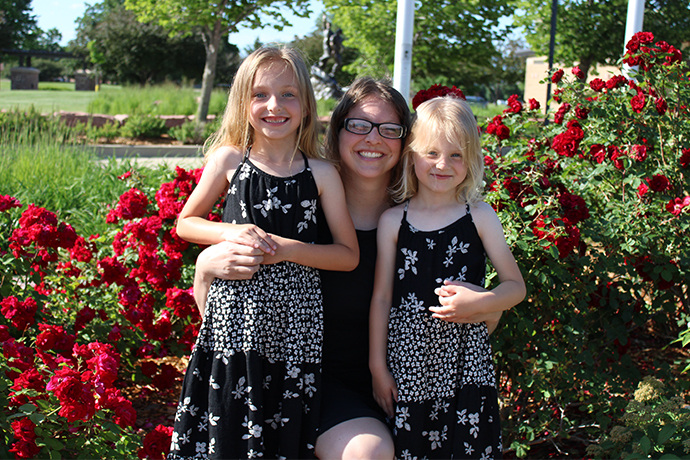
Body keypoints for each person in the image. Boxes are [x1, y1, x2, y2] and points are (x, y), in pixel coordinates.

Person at [191, 78, 505, 460]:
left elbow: (481, 312)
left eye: (390, 130)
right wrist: (206, 266)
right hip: (313, 384)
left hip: (415, 384)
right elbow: (234, 310)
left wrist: (485, 302)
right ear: (336, 131)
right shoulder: (305, 208)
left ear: (409, 142)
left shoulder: (427, 218)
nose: (373, 139)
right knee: (367, 452)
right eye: (358, 125)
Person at [169, 46, 359, 460]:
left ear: (307, 104)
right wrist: (231, 232)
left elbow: (347, 255)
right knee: (231, 432)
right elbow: (186, 223)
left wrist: (286, 249)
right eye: (261, 95)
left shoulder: (321, 173)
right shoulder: (230, 160)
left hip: (296, 332)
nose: (275, 106)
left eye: (288, 94)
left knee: (281, 437)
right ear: (243, 102)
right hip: (235, 328)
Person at [369, 95, 526, 459]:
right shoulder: (394, 221)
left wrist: (482, 301)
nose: (443, 164)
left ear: (471, 159)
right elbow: (381, 297)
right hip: (407, 364)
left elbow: (515, 287)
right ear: (411, 155)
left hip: (464, 365)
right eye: (431, 153)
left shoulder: (480, 217)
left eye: (456, 155)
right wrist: (378, 366)